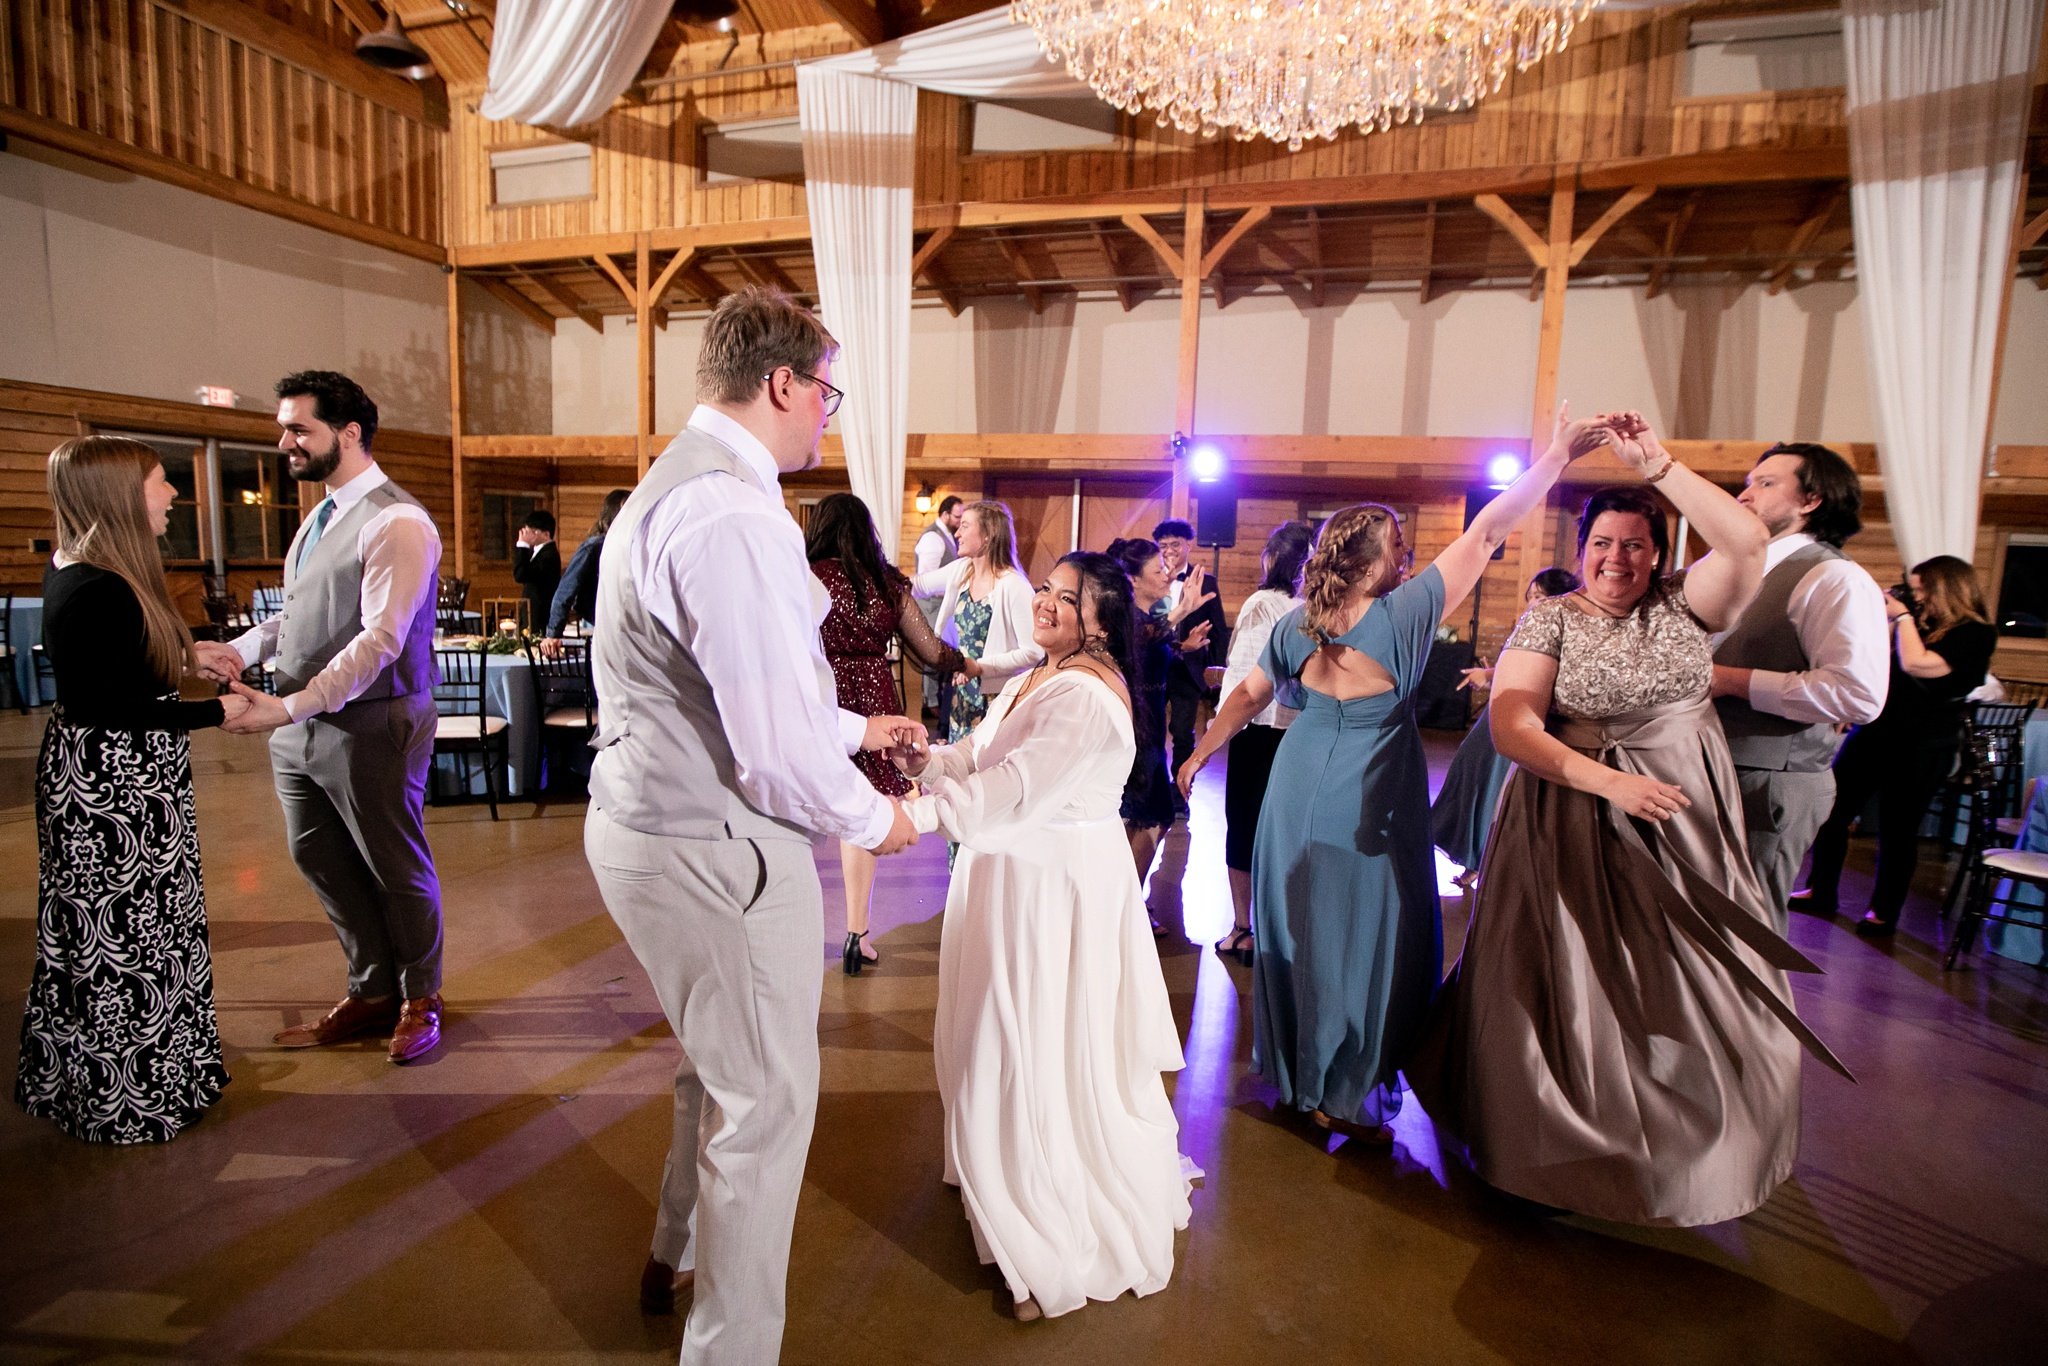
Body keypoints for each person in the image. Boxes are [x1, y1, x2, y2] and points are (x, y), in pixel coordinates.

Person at [577, 287, 919, 1365]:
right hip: (711, 844)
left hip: (655, 820)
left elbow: (750, 688)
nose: (828, 411)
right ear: (780, 382)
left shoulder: (679, 488)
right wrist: (880, 816)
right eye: (825, 390)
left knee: (715, 1065)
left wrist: (864, 721)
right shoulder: (731, 513)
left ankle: (671, 1250)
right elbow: (770, 747)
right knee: (765, 1104)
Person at [1412, 414, 1851, 1228]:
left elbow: (1749, 543)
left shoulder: (1688, 604)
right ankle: (1549, 1144)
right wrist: (1602, 785)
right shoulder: (1551, 618)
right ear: (1583, 550)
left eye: (1636, 545)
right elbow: (1514, 725)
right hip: (1566, 819)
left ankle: (1694, 1149)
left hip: (1685, 826)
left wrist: (1659, 467)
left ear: (1660, 552)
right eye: (1602, 544)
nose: (1617, 560)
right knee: (1568, 977)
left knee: (1683, 978)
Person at [1178, 404, 1609, 1139]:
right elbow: (1489, 529)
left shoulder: (1294, 624)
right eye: (1401, 544)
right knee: (1368, 939)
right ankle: (1343, 1088)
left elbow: (1249, 695)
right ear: (1380, 558)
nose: (1408, 555)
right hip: (1367, 794)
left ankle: (1299, 1076)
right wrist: (1557, 457)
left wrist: (1200, 751)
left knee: (1300, 931)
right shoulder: (1405, 612)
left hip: (1296, 782)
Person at [889, 551, 1194, 1321]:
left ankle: (1046, 1236)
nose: (1047, 605)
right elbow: (982, 753)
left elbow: (1019, 787)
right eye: (1047, 591)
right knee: (992, 1034)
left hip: (1051, 889)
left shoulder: (1087, 697)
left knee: (1033, 1045)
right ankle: (998, 1178)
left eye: (1069, 597)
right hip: (1008, 873)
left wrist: (917, 817)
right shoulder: (1038, 674)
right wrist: (926, 761)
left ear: (1101, 619)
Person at [193, 371, 447, 1066]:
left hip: (372, 719)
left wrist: (288, 705)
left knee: (395, 864)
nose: (285, 443)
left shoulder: (397, 521)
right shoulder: (322, 513)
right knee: (319, 855)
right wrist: (241, 649)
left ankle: (421, 995)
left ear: (350, 432)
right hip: (299, 723)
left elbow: (381, 639)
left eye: (299, 429)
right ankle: (371, 991)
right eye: (286, 428)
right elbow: (302, 611)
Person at [16, 436, 251, 1143]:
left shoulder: (87, 570)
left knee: (144, 934)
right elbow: (113, 708)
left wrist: (185, 651)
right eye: (160, 482)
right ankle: (131, 1099)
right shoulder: (99, 586)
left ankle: (156, 1076)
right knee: (127, 944)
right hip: (112, 792)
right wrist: (216, 711)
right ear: (122, 494)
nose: (173, 494)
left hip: (118, 779)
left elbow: (112, 662)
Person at [1709, 443, 1889, 927]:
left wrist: (1731, 681)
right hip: (1708, 765)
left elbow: (1858, 694)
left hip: (1770, 783)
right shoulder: (1732, 566)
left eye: (1765, 483)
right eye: (1749, 482)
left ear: (1810, 500)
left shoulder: (1834, 579)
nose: (1746, 494)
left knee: (1747, 929)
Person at [1795, 556, 1999, 937]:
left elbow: (1918, 665)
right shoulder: (1919, 626)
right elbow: (1877, 669)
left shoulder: (1975, 633)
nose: (1916, 596)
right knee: (1831, 812)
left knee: (1898, 829)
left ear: (1946, 588)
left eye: (1922, 589)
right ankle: (1821, 891)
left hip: (1924, 745)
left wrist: (1903, 618)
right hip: (1877, 733)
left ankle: (1883, 912)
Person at [806, 491, 965, 975]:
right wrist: (967, 664)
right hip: (873, 698)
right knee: (863, 808)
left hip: (823, 692)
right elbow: (931, 650)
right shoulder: (886, 583)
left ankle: (796, 924)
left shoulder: (806, 577)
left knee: (807, 800)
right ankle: (857, 932)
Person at [1429, 566, 1582, 883]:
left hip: (1523, 717)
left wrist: (1490, 676)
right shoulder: (1532, 624)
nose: (1532, 604)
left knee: (1496, 789)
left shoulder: (1566, 633)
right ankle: (1471, 855)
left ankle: (1486, 860)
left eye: (1540, 597)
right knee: (1471, 773)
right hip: (1498, 712)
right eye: (1531, 597)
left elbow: (1542, 675)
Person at [1210, 521, 1316, 962]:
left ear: (1274, 559)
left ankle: (1244, 927)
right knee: (1289, 828)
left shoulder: (1264, 603)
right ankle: (1283, 927)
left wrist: (1217, 732)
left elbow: (1251, 678)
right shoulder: (1317, 607)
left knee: (1246, 824)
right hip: (1305, 731)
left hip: (1261, 730)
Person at [1109, 537, 1214, 904]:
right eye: (1159, 569)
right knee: (1144, 817)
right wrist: (1180, 613)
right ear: (1133, 580)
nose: (1168, 575)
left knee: (1153, 816)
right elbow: (1137, 643)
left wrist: (1183, 646)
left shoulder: (1151, 620)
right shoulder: (1126, 620)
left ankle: (1125, 904)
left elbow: (1154, 647)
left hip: (1150, 733)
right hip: (1133, 734)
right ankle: (1122, 908)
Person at [913, 499, 1041, 743]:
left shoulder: (1014, 586)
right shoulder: (960, 570)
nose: (958, 533)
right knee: (959, 766)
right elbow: (918, 585)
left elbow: (1033, 652)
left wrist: (979, 666)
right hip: (961, 693)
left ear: (988, 535)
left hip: (997, 698)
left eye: (965, 526)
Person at [1153, 517, 1226, 797]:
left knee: (1183, 733)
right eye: (1163, 546)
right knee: (1152, 733)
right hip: (1157, 667)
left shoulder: (1206, 581)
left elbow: (1218, 628)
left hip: (1189, 670)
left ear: (1188, 545)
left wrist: (1216, 669)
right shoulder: (1153, 579)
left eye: (1175, 544)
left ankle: (1181, 792)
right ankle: (1153, 788)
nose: (1169, 550)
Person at [541, 488, 627, 654]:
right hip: (605, 623)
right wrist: (553, 633)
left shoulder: (632, 546)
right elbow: (566, 589)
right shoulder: (594, 547)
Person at [912, 494, 965, 716]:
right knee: (934, 650)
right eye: (957, 516)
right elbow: (926, 578)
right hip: (931, 603)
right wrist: (953, 585)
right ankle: (930, 701)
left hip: (940, 601)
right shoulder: (933, 538)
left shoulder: (947, 536)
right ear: (944, 514)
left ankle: (938, 698)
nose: (959, 521)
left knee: (945, 648)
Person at [512, 509, 560, 630]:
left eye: (532, 532)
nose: (527, 535)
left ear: (546, 534)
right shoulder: (538, 552)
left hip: (539, 616)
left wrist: (522, 546)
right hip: (531, 614)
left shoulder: (549, 555)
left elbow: (520, 575)